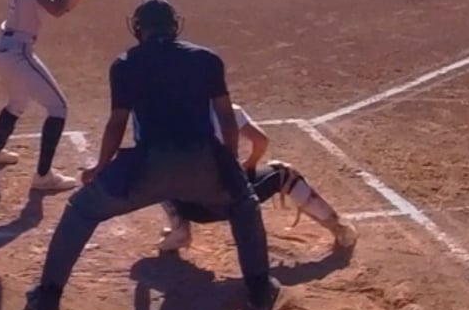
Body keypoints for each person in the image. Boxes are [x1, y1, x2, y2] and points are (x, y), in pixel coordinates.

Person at [22, 0, 279, 310]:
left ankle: (47, 299)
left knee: (81, 210)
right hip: (202, 160)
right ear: (174, 26)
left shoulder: (124, 64)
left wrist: (101, 167)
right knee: (245, 206)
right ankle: (259, 291)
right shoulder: (206, 59)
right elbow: (226, 119)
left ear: (138, 28)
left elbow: (117, 124)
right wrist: (226, 167)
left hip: (146, 167)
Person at [152, 101, 356, 255]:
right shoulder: (228, 110)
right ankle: (340, 229)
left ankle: (179, 230)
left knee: (158, 174)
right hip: (234, 202)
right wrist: (250, 163)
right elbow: (261, 141)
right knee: (283, 173)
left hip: (194, 210)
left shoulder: (166, 119)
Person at [0, 0, 89, 194]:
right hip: (17, 51)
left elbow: (63, 4)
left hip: (5, 47)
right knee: (58, 107)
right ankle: (43, 176)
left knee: (17, 103)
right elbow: (57, 9)